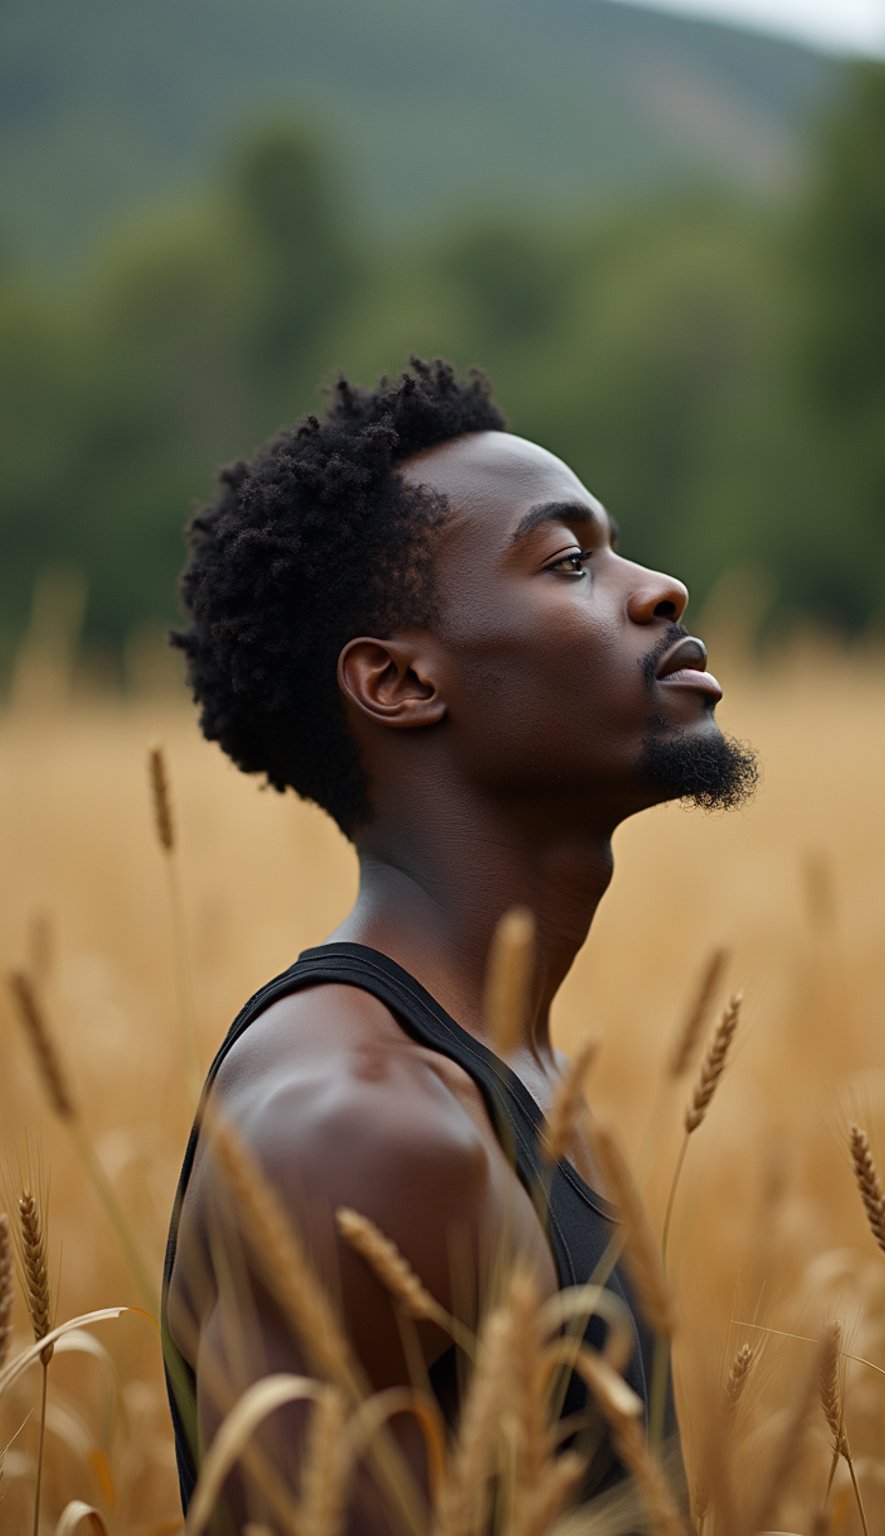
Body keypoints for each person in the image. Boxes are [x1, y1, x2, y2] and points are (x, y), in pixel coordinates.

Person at [161, 358, 757, 1532]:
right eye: (570, 563)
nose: (662, 591)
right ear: (398, 679)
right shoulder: (365, 1131)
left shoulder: (503, 1079)